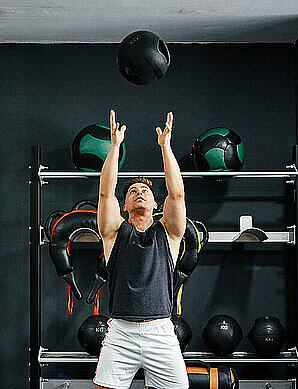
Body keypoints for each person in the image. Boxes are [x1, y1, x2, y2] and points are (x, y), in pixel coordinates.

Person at [94, 110, 188, 389]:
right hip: (121, 332)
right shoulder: (113, 232)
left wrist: (166, 147)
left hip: (160, 330)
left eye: (145, 191)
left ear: (157, 205)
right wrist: (114, 146)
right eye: (132, 191)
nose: (139, 192)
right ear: (124, 206)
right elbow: (105, 194)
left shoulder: (169, 233)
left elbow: (177, 194)